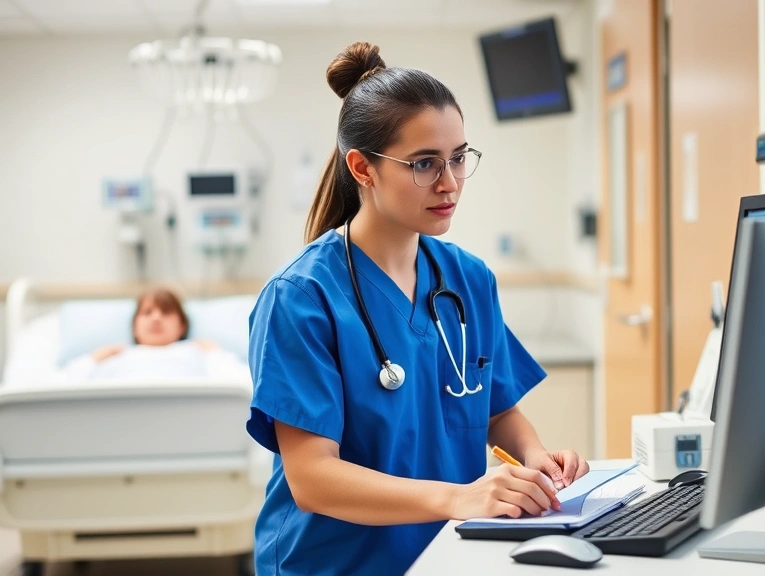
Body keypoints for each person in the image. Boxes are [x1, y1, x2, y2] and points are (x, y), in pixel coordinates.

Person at [245, 41, 590, 575]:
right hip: (335, 563)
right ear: (361, 168)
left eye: (458, 158)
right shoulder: (301, 298)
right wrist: (459, 498)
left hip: (445, 553)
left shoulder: (469, 280)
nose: (449, 182)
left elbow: (495, 408)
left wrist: (534, 455)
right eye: (425, 163)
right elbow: (312, 479)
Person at [63, 288, 232, 381]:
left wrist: (214, 353)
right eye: (147, 312)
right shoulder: (116, 355)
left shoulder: (197, 352)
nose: (156, 318)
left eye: (166, 312)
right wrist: (93, 359)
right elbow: (64, 386)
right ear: (134, 327)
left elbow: (239, 385)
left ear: (182, 326)